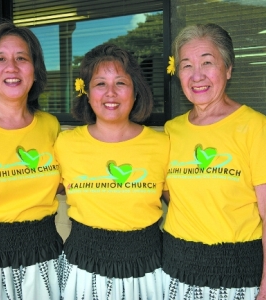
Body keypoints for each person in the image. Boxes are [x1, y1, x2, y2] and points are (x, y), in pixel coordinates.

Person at [54, 43, 169, 299]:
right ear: (86, 92)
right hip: (82, 270)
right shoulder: (65, 144)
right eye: (100, 84)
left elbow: (184, 204)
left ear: (136, 91)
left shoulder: (163, 144)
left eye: (120, 83)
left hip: (147, 269)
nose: (110, 93)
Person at [162, 23, 266, 300]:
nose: (197, 75)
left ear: (228, 69)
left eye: (207, 62)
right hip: (176, 268)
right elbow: (169, 193)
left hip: (237, 274)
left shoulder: (255, 127)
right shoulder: (172, 130)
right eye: (186, 65)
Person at [0, 22, 63, 300]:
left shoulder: (50, 125)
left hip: (47, 259)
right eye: (0, 59)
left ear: (34, 70)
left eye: (22, 58)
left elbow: (66, 183)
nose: (12, 67)